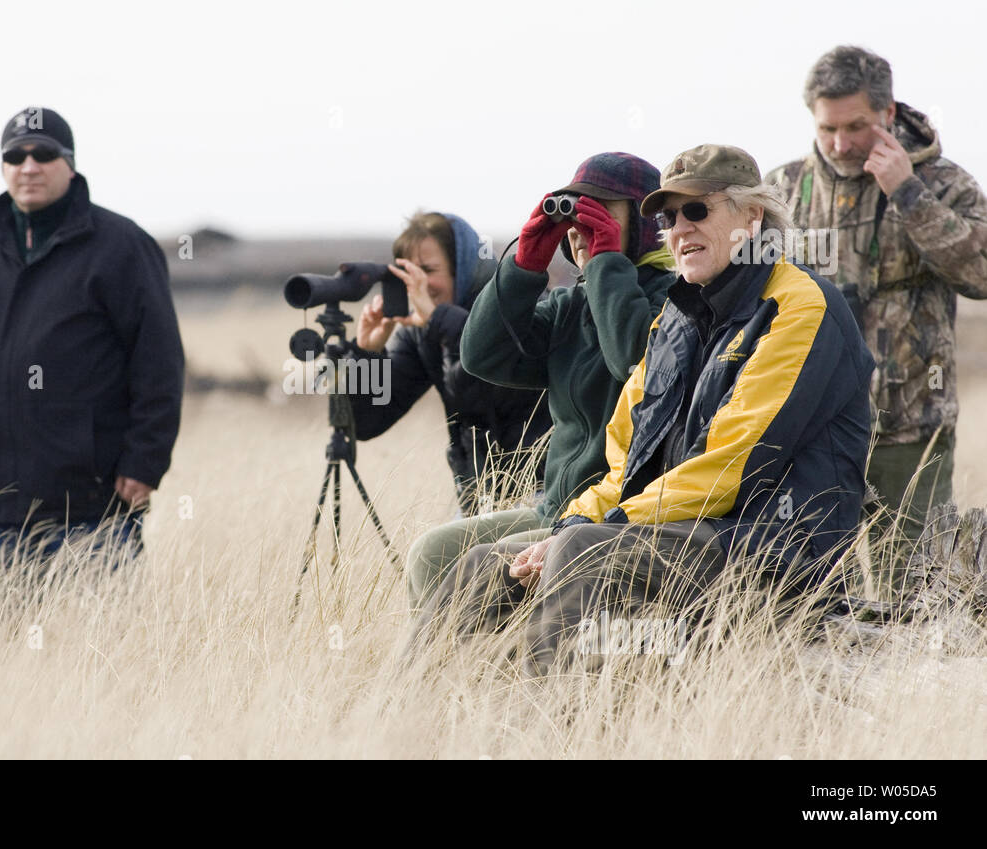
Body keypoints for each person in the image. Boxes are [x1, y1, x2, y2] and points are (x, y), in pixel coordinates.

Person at [408, 145, 875, 677]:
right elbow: (624, 464)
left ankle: (552, 733)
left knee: (582, 549)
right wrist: (571, 522)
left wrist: (593, 529)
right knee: (481, 566)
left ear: (752, 216)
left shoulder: (798, 304)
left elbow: (731, 464)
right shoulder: (676, 320)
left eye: (696, 210)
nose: (679, 228)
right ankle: (402, 725)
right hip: (674, 532)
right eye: (668, 216)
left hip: (769, 548)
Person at [0, 107, 184, 632]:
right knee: (18, 662)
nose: (29, 166)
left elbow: (158, 361)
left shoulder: (121, 247)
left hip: (95, 501)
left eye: (44, 154)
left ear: (69, 164)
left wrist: (145, 460)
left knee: (107, 657)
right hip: (5, 504)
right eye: (15, 156)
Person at [401, 152, 674, 607]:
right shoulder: (571, 306)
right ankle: (457, 674)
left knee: (470, 562)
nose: (582, 227)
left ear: (645, 222)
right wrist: (525, 263)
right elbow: (482, 356)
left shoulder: (673, 300)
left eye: (602, 212)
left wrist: (606, 263)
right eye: (576, 211)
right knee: (433, 553)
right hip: (556, 508)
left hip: (614, 516)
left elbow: (634, 366)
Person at [766, 45, 987, 567]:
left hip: (907, 427)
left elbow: (980, 275)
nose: (840, 144)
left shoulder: (943, 184)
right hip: (806, 430)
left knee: (912, 593)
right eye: (827, 129)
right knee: (803, 594)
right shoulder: (781, 190)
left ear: (888, 114)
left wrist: (908, 194)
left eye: (856, 126)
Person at [348, 212, 551, 519]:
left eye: (428, 270)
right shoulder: (422, 330)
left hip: (549, 488)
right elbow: (365, 423)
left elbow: (487, 391)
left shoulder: (516, 305)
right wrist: (366, 354)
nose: (418, 284)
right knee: (439, 561)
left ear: (463, 269)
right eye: (408, 273)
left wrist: (438, 320)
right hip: (478, 498)